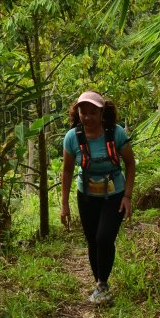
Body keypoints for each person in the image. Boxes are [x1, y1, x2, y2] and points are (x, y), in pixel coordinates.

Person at [61, 91, 135, 305]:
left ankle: (102, 283)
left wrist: (127, 196)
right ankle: (100, 284)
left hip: (114, 194)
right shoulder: (72, 137)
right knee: (92, 240)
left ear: (102, 113)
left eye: (93, 112)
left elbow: (130, 163)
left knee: (104, 238)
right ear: (77, 113)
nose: (88, 117)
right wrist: (64, 205)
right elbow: (67, 171)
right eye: (83, 112)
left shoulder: (116, 133)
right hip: (86, 196)